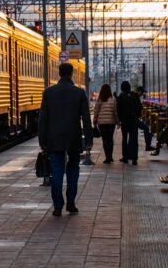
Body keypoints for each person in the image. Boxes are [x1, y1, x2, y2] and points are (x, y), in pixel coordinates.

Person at [38, 62, 91, 216]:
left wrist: (42, 140)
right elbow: (86, 118)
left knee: (57, 171)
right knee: (73, 169)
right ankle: (71, 203)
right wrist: (88, 139)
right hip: (73, 138)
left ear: (59, 74)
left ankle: (57, 206)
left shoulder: (48, 93)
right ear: (71, 74)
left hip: (53, 139)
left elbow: (43, 119)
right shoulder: (79, 93)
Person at [92, 83, 118, 164]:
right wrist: (118, 122)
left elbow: (96, 111)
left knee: (105, 140)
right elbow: (115, 111)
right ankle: (110, 157)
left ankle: (107, 157)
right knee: (110, 139)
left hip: (102, 123)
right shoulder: (113, 99)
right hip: (111, 123)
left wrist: (94, 121)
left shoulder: (100, 99)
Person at [116, 81, 140, 164]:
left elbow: (118, 109)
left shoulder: (121, 96)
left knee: (124, 139)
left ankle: (125, 157)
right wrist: (136, 117)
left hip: (125, 121)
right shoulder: (135, 95)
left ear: (122, 88)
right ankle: (134, 159)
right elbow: (140, 108)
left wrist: (119, 119)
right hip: (134, 121)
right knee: (134, 139)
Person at [137, 86, 154, 151]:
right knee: (146, 128)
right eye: (142, 92)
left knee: (146, 128)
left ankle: (148, 145)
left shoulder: (135, 97)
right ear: (139, 91)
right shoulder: (135, 97)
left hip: (133, 119)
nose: (142, 94)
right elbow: (139, 109)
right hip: (134, 119)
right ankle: (148, 146)